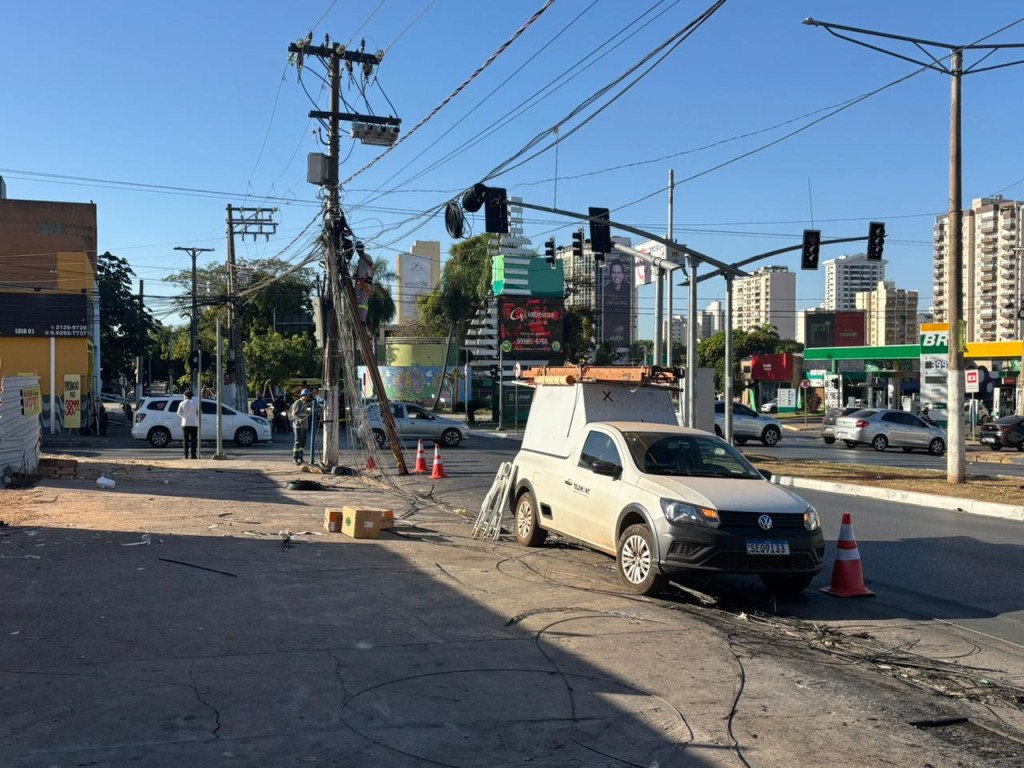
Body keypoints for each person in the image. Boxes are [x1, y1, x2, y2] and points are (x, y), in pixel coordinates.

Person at [602, 259, 631, 346]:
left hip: (626, 335)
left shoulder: (629, 289)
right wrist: (612, 328)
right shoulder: (604, 290)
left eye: (619, 273)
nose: (616, 276)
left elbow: (632, 313)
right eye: (614, 273)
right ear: (610, 274)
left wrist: (623, 327)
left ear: (623, 275)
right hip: (607, 334)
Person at [290, 388, 314, 465]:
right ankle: (295, 457)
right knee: (298, 441)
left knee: (303, 442)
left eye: (308, 396)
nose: (308, 397)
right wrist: (299, 420)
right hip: (298, 425)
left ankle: (300, 457)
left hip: (304, 425)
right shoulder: (298, 402)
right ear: (303, 395)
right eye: (306, 395)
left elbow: (306, 414)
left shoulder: (305, 403)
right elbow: (294, 414)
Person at [177, 390, 200, 459]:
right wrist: (195, 416)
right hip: (194, 423)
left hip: (185, 423)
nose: (183, 397)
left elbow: (178, 413)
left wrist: (184, 416)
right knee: (194, 440)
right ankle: (193, 455)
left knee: (185, 440)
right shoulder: (196, 403)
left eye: (184, 396)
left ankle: (185, 455)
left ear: (186, 396)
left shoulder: (182, 403)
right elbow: (199, 412)